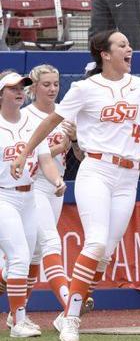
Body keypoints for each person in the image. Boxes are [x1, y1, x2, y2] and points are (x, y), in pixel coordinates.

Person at [11, 30, 140, 341]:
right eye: (122, 45)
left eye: (128, 44)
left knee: (104, 252)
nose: (129, 48)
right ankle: (72, 318)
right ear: (104, 54)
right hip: (97, 170)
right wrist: (25, 153)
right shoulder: (84, 88)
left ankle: (68, 315)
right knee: (94, 243)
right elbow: (51, 123)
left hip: (129, 175)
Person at [0, 71, 66, 338]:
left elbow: (45, 159)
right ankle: (18, 323)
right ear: (1, 93)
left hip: (29, 197)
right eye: (12, 88)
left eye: (22, 87)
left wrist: (57, 179)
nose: (19, 91)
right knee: (19, 257)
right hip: (4, 195)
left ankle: (17, 318)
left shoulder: (29, 122)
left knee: (25, 261)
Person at [22, 65, 82, 317]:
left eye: (56, 84)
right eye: (46, 84)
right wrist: (58, 148)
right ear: (34, 88)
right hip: (31, 186)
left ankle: (17, 311)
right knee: (49, 241)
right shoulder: (26, 116)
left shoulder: (65, 115)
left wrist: (76, 139)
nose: (52, 89)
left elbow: (80, 154)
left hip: (56, 186)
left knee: (34, 252)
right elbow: (25, 157)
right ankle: (70, 306)